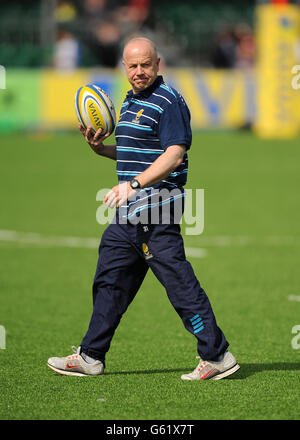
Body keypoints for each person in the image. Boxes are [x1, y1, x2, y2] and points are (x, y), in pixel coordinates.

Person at [47, 37, 240, 380]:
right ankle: (91, 356)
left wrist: (133, 185)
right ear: (124, 67)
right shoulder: (131, 99)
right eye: (132, 66)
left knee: (180, 286)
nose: (139, 72)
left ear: (158, 64)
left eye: (145, 65)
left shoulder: (168, 101)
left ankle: (217, 356)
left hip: (157, 212)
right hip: (127, 217)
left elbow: (173, 153)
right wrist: (101, 150)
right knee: (110, 282)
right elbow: (134, 152)